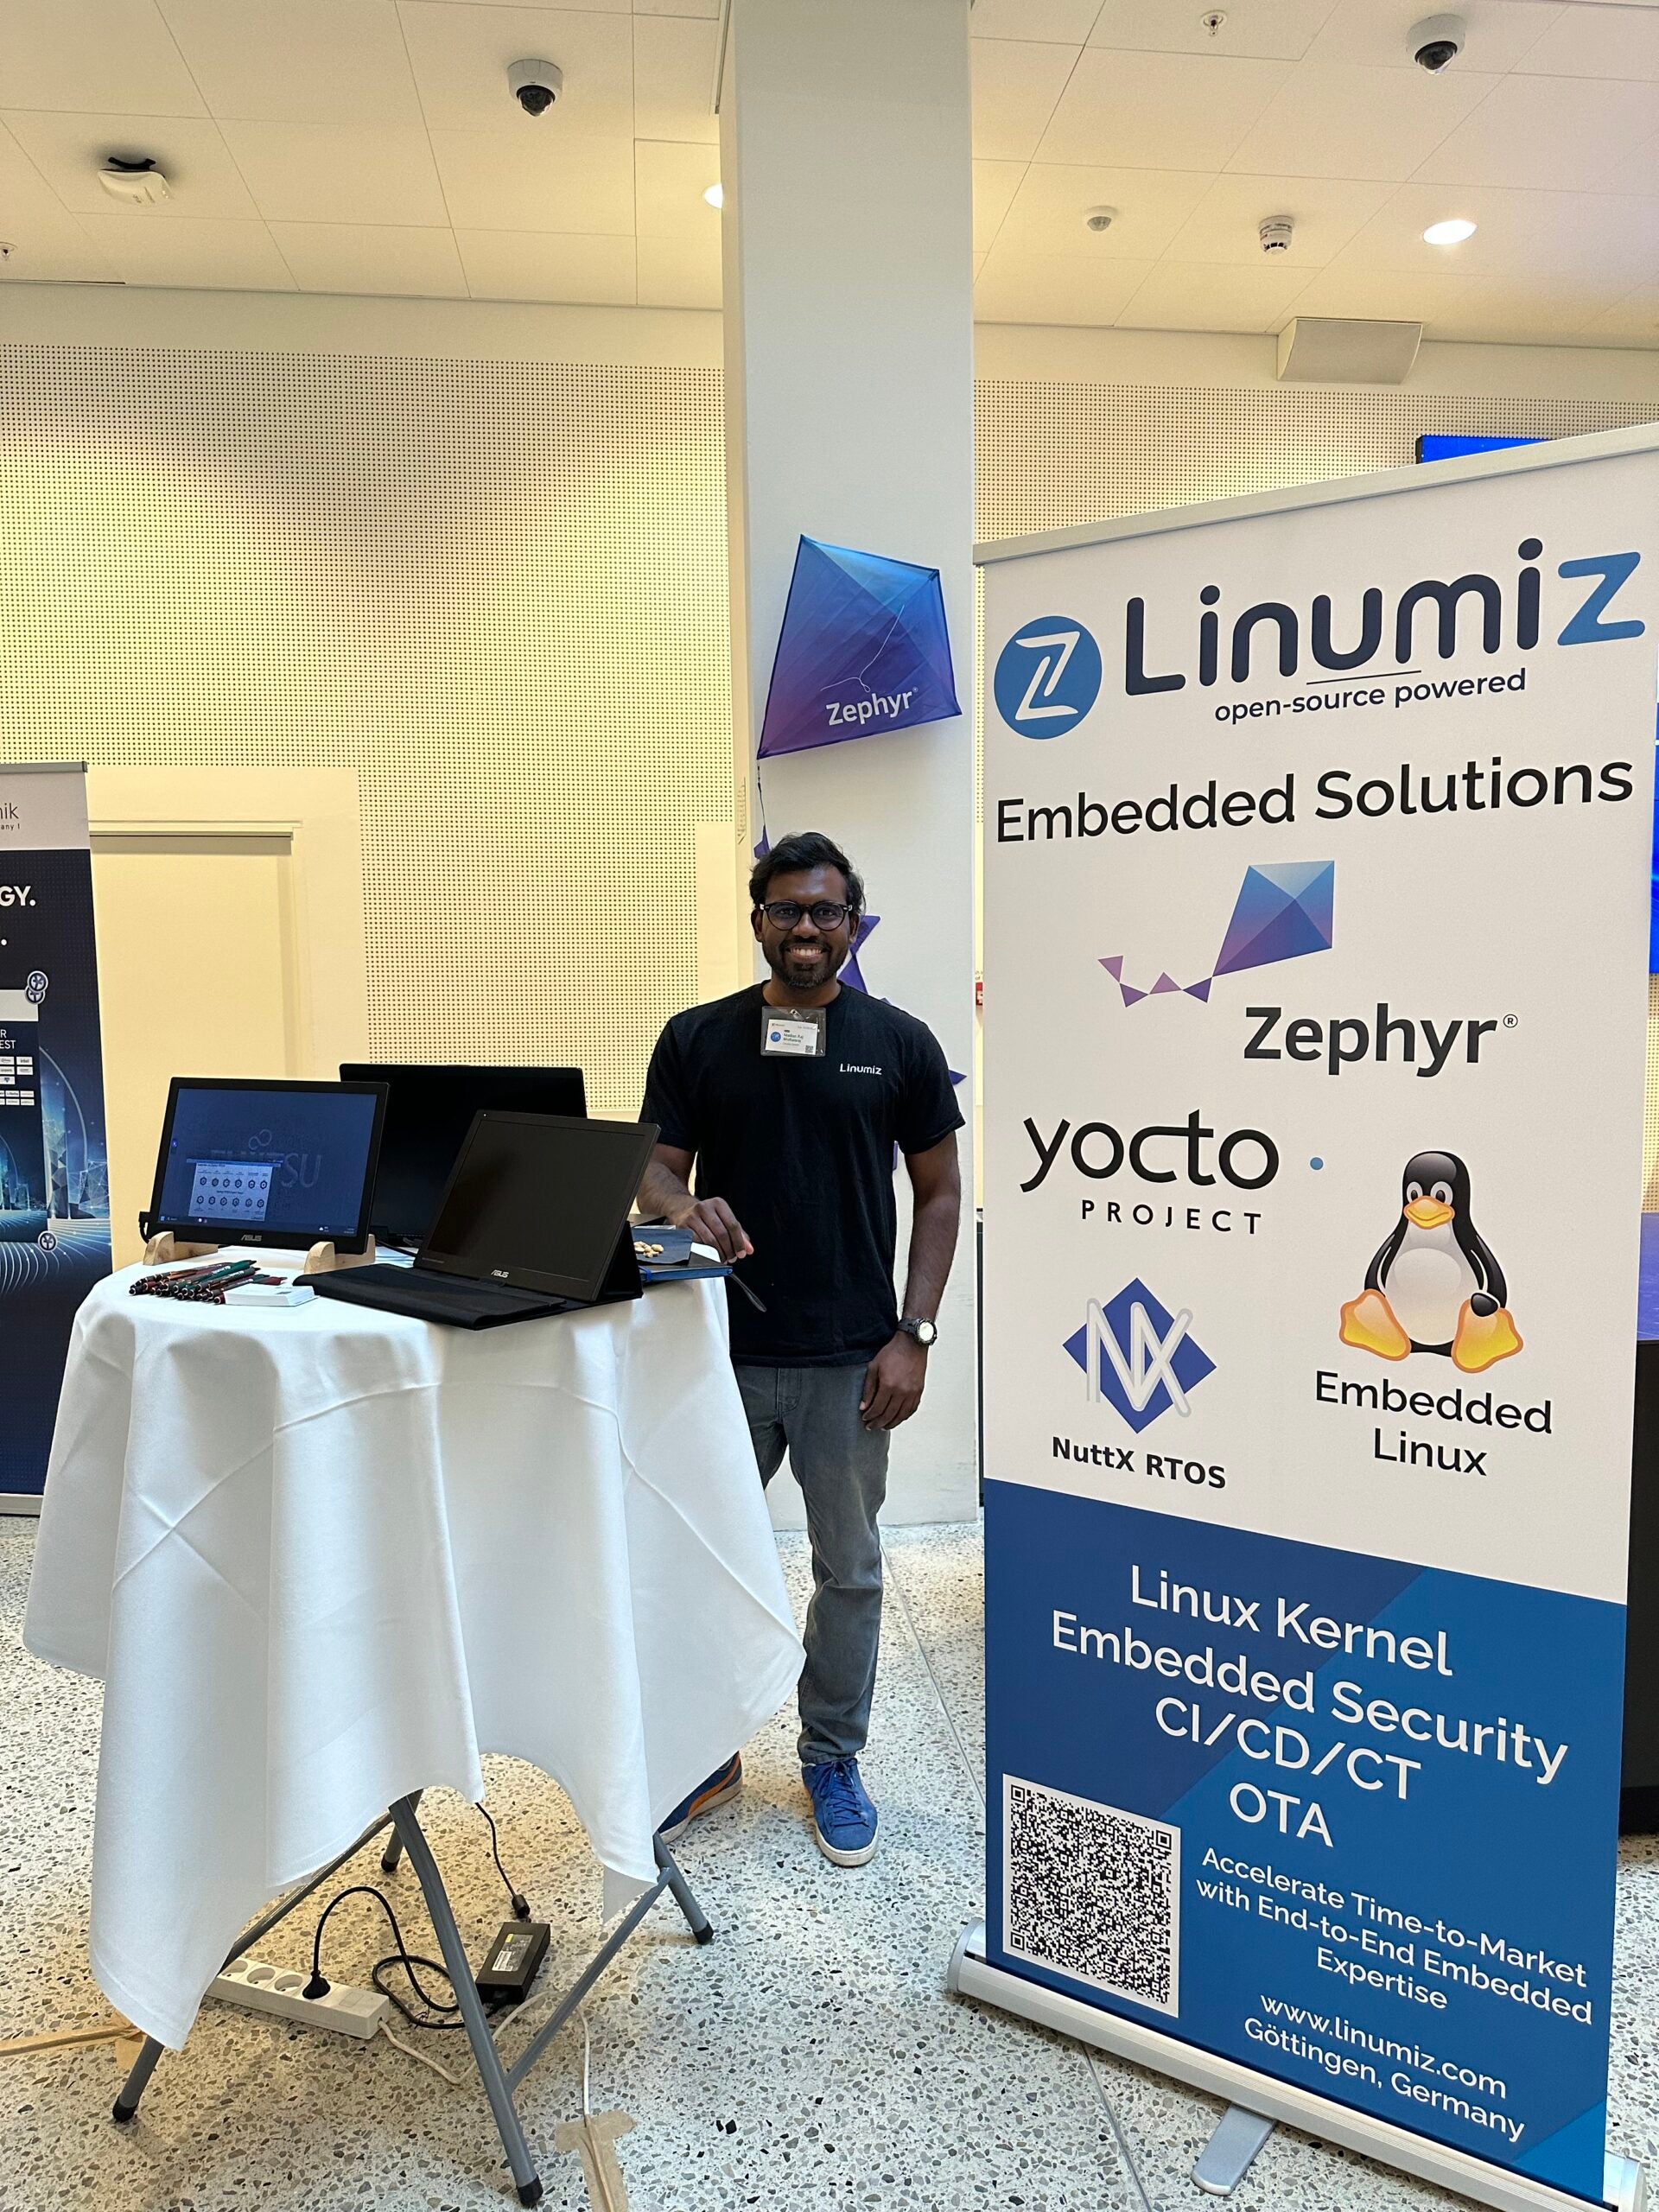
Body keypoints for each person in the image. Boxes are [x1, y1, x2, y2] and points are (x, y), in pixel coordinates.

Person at [638, 830, 963, 1866]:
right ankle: (708, 1750)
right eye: (787, 909)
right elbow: (652, 1171)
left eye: (826, 910)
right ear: (759, 922)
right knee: (699, 1562)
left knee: (850, 1570)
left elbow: (941, 1193)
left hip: (850, 1363)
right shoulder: (697, 1038)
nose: (807, 927)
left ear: (852, 923)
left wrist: (914, 1333)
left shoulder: (900, 1042)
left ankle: (831, 1755)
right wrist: (680, 1206)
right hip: (717, 1353)